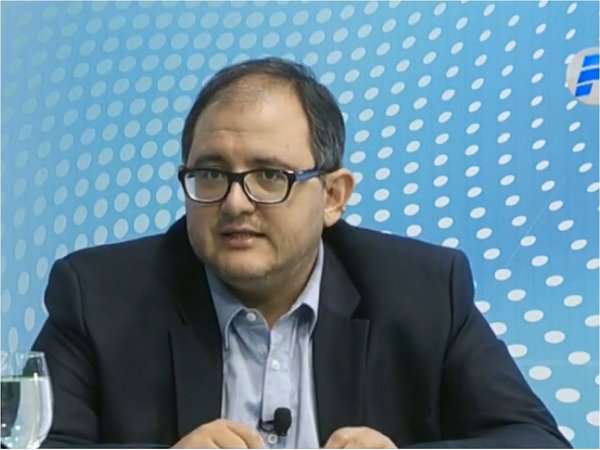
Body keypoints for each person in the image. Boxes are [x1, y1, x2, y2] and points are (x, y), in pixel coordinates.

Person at [33, 57, 570, 449]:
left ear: (333, 196)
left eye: (270, 176)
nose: (235, 203)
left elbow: (533, 440)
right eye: (211, 173)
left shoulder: (424, 289)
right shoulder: (97, 296)